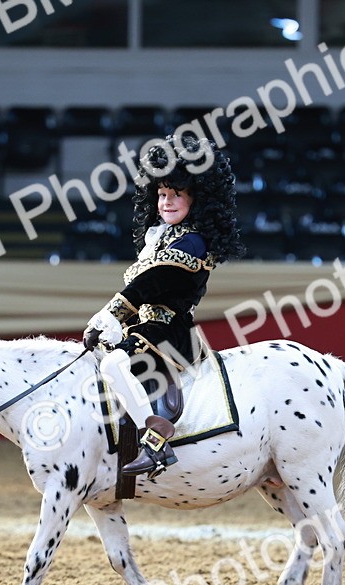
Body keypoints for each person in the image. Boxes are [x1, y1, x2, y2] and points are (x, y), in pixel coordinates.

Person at [83, 133, 244, 477]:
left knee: (113, 365)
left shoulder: (195, 242)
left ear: (197, 199)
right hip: (144, 327)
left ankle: (155, 441)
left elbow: (153, 283)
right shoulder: (158, 238)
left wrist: (111, 312)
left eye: (176, 195)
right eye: (162, 194)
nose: (167, 202)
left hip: (171, 331)